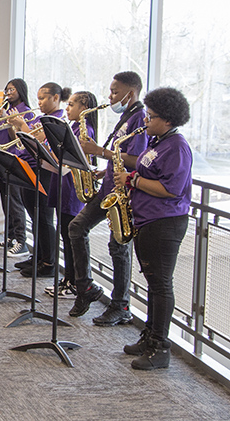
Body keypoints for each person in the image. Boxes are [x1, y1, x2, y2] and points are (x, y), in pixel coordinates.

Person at [114, 87, 191, 370]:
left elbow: (170, 189)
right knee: (152, 283)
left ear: (168, 119)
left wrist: (132, 182)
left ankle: (160, 348)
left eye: (151, 115)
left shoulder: (177, 146)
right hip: (148, 220)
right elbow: (149, 172)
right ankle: (149, 336)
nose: (146, 119)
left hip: (165, 223)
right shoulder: (158, 141)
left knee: (160, 285)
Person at [68, 71, 149, 324]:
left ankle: (121, 306)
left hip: (123, 193)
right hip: (109, 186)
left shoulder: (141, 118)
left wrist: (99, 151)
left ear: (130, 93)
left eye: (115, 92)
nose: (110, 96)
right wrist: (105, 169)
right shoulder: (127, 117)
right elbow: (120, 153)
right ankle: (86, 287)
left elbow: (137, 159)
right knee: (76, 227)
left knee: (118, 246)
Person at [9, 83, 70, 278]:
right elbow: (27, 142)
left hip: (47, 173)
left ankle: (49, 262)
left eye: (43, 98)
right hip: (34, 168)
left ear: (56, 98)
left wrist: (23, 126)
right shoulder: (43, 118)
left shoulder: (58, 119)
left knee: (44, 217)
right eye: (38, 99)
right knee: (34, 216)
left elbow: (40, 143)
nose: (40, 103)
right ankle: (39, 255)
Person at [45, 90, 99, 299]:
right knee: (65, 237)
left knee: (70, 238)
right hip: (63, 183)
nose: (67, 109)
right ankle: (68, 278)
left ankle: (74, 282)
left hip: (73, 187)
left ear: (84, 108)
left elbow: (75, 158)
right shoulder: (72, 128)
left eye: (72, 105)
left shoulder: (86, 131)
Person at [0, 78, 34, 257]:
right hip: (1, 158)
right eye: (6, 89)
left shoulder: (26, 112)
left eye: (12, 89)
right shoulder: (5, 110)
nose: (8, 92)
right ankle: (10, 237)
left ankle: (21, 241)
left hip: (15, 159)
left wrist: (12, 121)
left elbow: (21, 137)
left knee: (15, 202)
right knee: (5, 200)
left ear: (21, 91)